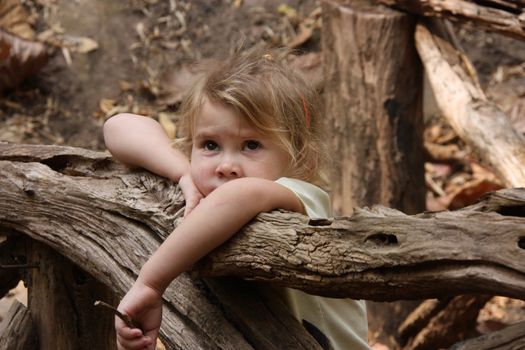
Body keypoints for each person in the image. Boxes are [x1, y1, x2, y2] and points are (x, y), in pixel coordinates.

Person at [103, 47, 369, 350]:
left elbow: (240, 196)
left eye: (251, 145)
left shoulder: (303, 198)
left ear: (300, 157)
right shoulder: (209, 181)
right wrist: (184, 174)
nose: (226, 165)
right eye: (210, 145)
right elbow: (118, 127)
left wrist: (149, 284)